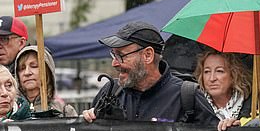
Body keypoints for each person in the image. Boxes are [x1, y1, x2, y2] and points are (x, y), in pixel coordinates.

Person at [81, 21, 218, 125]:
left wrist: (230, 129)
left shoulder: (188, 96)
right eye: (114, 55)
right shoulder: (110, 92)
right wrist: (88, 124)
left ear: (148, 55)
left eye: (121, 56)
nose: (115, 63)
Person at [194, 48, 260, 131]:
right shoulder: (194, 105)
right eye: (207, 71)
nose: (212, 78)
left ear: (234, 75)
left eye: (219, 71)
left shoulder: (255, 105)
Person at [15, 46, 77, 117]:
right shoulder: (12, 109)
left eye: (34, 66)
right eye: (21, 68)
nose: (27, 72)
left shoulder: (63, 111)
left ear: (47, 71)